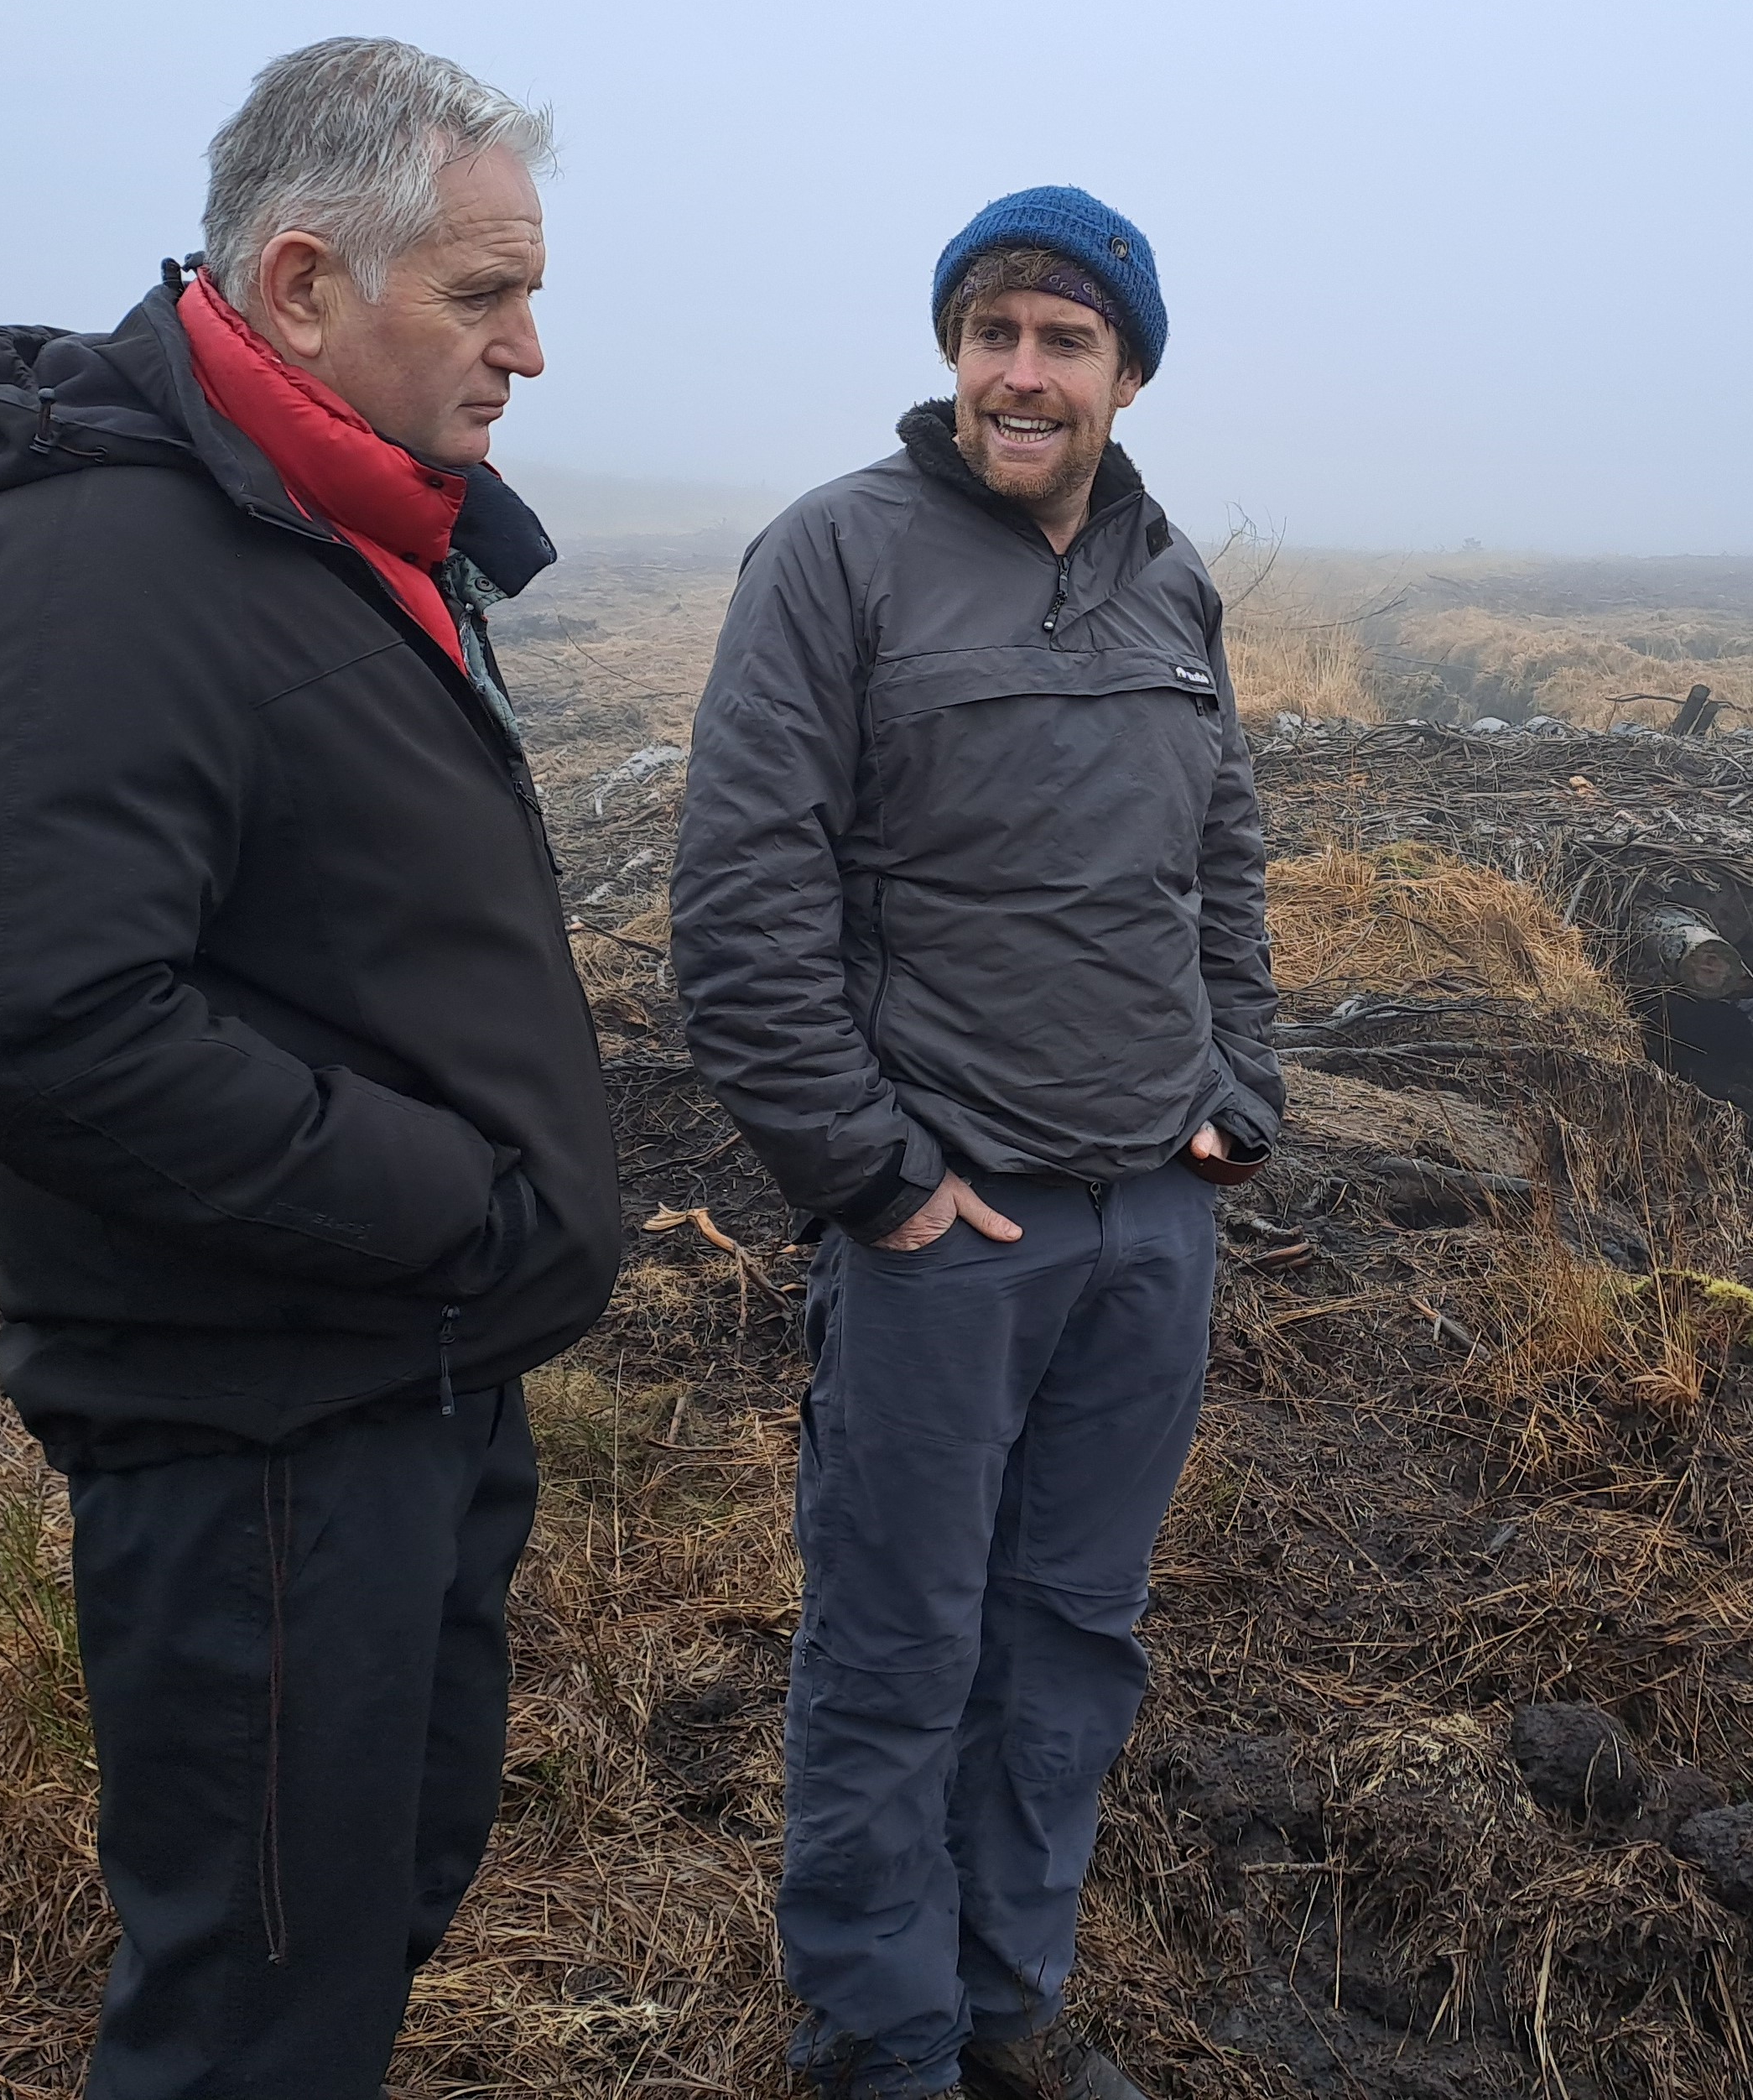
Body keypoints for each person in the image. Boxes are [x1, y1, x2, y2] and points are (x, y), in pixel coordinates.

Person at [0, 36, 622, 2099]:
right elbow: (31, 1019)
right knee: (253, 2023)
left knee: (361, 1926)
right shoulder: (104, 566)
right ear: (300, 284)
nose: (528, 348)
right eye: (482, 294)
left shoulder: (335, 525)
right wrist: (453, 1212)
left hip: (405, 1383)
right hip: (268, 1425)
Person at [673, 188, 1279, 2100]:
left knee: (1074, 1640)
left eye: (1065, 340)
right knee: (898, 1650)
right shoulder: (838, 557)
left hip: (1149, 1229)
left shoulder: (1171, 582)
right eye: (994, 330)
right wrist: (868, 1172)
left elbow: (1225, 864)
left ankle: (1010, 2004)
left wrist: (1236, 1093)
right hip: (953, 1232)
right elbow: (741, 898)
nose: (1023, 371)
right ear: (954, 354)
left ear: (1126, 373)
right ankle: (882, 2040)